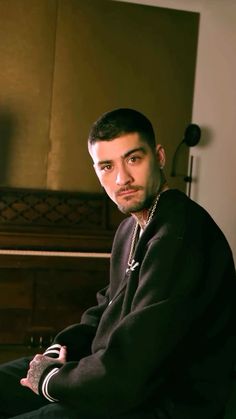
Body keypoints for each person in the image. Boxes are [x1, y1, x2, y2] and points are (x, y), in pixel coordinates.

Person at [0, 108, 235, 419]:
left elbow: (132, 367)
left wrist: (51, 380)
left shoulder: (182, 232)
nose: (122, 178)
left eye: (134, 159)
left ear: (160, 157)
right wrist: (60, 349)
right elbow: (107, 307)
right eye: (107, 166)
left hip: (167, 402)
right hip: (120, 380)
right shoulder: (130, 228)